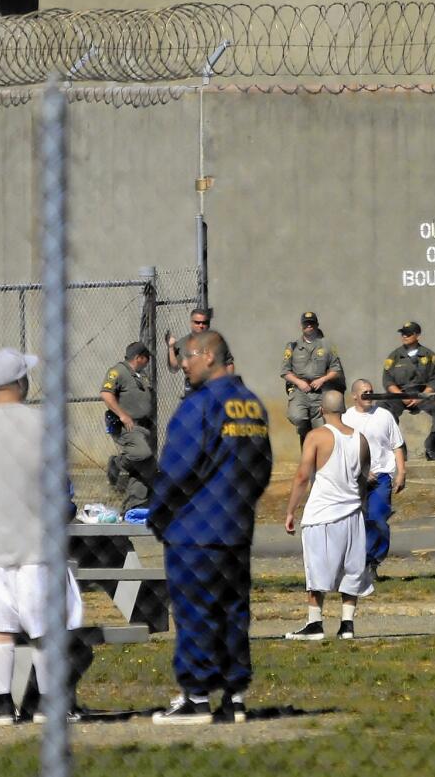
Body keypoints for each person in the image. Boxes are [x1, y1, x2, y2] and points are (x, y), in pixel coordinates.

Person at [148, 331, 273, 725]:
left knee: (195, 611)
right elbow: (262, 468)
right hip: (235, 528)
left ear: (208, 357)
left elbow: (177, 467)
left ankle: (197, 697)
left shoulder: (199, 405)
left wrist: (158, 512)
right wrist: (241, 505)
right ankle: (234, 696)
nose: (183, 364)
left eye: (187, 357)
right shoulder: (252, 405)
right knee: (233, 611)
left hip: (194, 530)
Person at [0, 349, 84, 724]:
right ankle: (48, 704)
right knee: (44, 629)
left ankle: (2, 703)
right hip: (35, 540)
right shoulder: (44, 423)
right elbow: (58, 487)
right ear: (20, 382)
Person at [283, 390, 372, 641]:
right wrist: (360, 505)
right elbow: (364, 477)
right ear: (344, 409)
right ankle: (347, 624)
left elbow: (302, 476)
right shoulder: (361, 439)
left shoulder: (316, 436)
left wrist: (291, 510)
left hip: (322, 513)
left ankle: (315, 623)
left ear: (321, 410)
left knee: (317, 569)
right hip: (352, 512)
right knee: (351, 568)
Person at [342, 379, 407, 584]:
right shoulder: (346, 418)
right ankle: (353, 565)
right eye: (364, 392)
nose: (369, 395)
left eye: (371, 391)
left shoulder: (384, 415)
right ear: (354, 396)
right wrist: (361, 470)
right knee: (356, 523)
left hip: (381, 477)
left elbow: (397, 445)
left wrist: (401, 472)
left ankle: (372, 562)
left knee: (378, 519)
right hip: (355, 479)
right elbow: (342, 450)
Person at [380, 321, 435, 460]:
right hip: (401, 395)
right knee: (382, 408)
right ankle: (396, 446)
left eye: (408, 333)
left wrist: (421, 397)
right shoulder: (394, 356)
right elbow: (388, 380)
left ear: (417, 335)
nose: (404, 336)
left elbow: (434, 380)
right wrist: (401, 395)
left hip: (424, 395)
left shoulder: (429, 355)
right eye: (402, 333)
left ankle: (433, 444)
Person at [100, 341, 155, 513]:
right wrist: (123, 415)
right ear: (139, 358)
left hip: (145, 426)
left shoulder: (141, 375)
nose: (148, 362)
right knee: (142, 453)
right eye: (147, 358)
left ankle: (134, 505)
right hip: (127, 425)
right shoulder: (118, 371)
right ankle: (116, 464)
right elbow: (106, 393)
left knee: (146, 466)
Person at [281, 311, 345, 447]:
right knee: (297, 417)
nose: (309, 326)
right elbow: (285, 371)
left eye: (311, 323)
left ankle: (319, 460)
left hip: (320, 392)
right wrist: (299, 382)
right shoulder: (292, 346)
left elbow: (336, 369)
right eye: (306, 323)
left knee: (321, 429)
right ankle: (305, 438)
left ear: (316, 325)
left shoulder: (327, 345)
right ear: (302, 326)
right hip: (300, 392)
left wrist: (322, 379)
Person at [166, 307, 234, 396]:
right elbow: (174, 368)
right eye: (197, 323)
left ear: (208, 324)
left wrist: (226, 384)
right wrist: (171, 348)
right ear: (191, 323)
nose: (201, 326)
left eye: (204, 323)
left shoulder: (216, 341)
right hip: (193, 389)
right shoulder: (183, 343)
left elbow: (229, 363)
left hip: (214, 388)